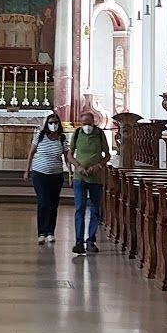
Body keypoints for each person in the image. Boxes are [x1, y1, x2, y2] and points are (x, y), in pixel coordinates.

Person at [67, 109, 110, 254]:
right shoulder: (77, 133)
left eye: (89, 123)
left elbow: (107, 155)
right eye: (84, 123)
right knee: (79, 209)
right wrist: (77, 167)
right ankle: (79, 241)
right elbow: (70, 154)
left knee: (95, 209)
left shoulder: (99, 134)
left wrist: (98, 166)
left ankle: (91, 240)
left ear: (93, 122)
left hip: (95, 178)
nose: (86, 126)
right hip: (80, 177)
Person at [23, 110, 67, 244]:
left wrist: (70, 172)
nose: (53, 125)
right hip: (39, 174)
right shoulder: (40, 136)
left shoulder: (62, 138)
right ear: (47, 124)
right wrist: (27, 170)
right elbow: (31, 153)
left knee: (53, 204)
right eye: (51, 123)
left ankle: (50, 232)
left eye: (55, 123)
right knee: (43, 202)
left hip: (56, 175)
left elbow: (66, 155)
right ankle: (41, 232)